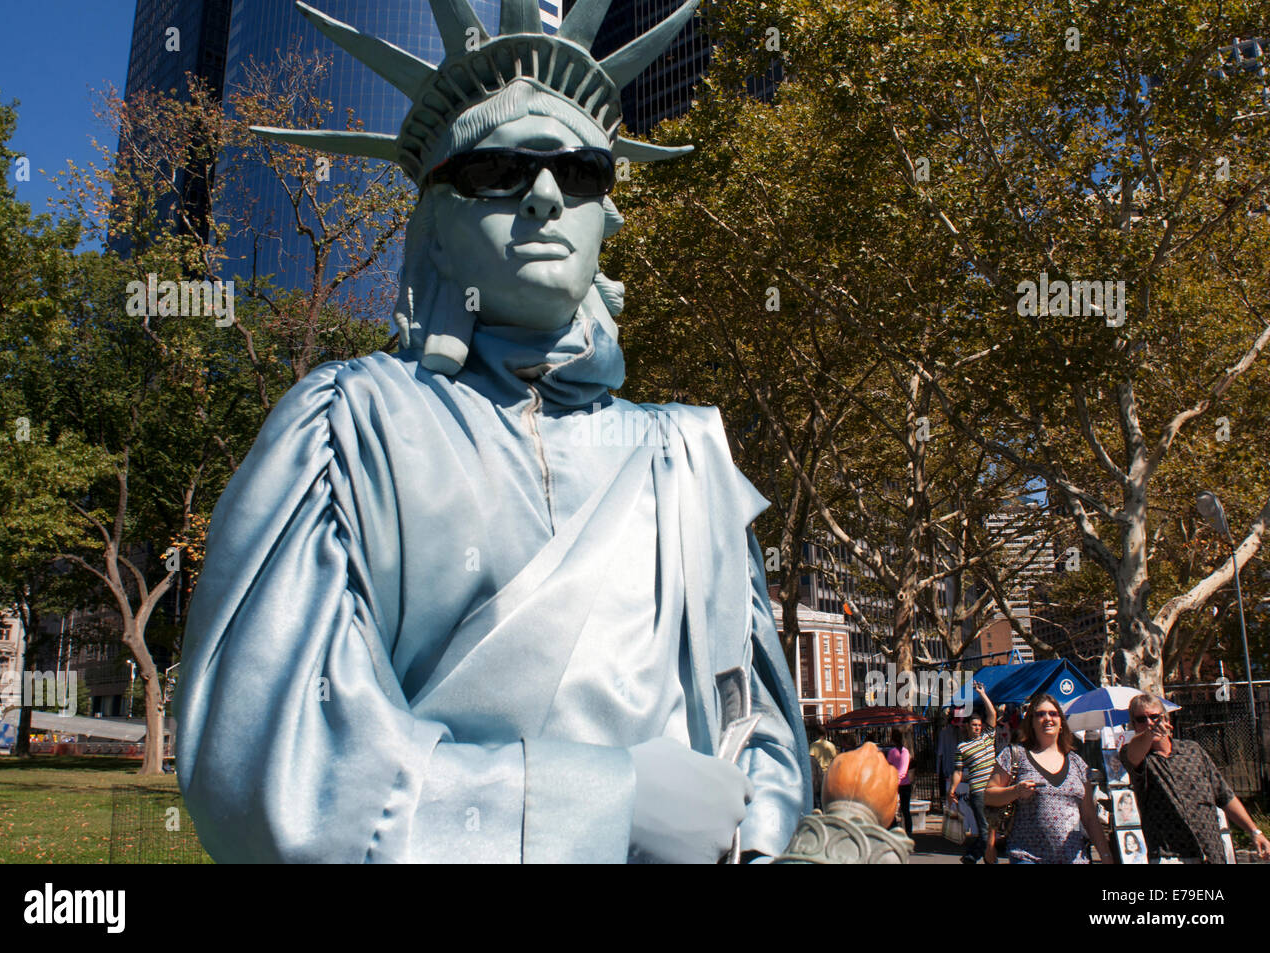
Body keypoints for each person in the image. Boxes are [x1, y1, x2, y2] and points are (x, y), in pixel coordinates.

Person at [174, 0, 810, 865]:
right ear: (432, 228)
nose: (546, 195)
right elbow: (272, 768)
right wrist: (606, 803)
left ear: (605, 219)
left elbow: (764, 741)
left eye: (582, 172)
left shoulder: (689, 456)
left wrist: (763, 831)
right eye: (499, 170)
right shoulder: (345, 429)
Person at [1119, 693, 1270, 863]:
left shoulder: (1193, 751)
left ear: (1166, 719)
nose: (1149, 723)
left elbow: (1224, 795)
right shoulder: (1135, 755)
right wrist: (1150, 732)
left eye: (1154, 717)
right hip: (1170, 856)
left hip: (1210, 852)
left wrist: (1254, 832)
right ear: (1133, 725)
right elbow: (1133, 753)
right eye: (1142, 719)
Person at [984, 692, 1112, 864]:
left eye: (1053, 713)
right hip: (1027, 856)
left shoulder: (1078, 764)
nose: (1047, 718)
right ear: (1032, 722)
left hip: (1073, 858)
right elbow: (989, 795)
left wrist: (1106, 856)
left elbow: (1089, 817)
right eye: (1040, 714)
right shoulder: (1015, 755)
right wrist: (1015, 791)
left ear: (1061, 723)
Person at [948, 682, 997, 863]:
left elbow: (993, 714)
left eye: (979, 725)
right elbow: (957, 771)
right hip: (977, 793)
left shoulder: (988, 737)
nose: (977, 727)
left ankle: (973, 857)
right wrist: (951, 790)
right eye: (973, 725)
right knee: (985, 832)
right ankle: (971, 858)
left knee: (992, 833)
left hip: (995, 790)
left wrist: (982, 694)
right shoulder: (962, 747)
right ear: (967, 726)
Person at [886, 729, 914, 837]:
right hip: (905, 783)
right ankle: (908, 831)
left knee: (893, 808)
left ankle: (895, 828)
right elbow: (904, 769)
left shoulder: (894, 752)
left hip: (895, 783)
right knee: (905, 809)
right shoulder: (905, 751)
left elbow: (889, 766)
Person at [935, 713, 959, 809]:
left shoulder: (944, 732)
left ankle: (946, 805)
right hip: (953, 766)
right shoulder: (948, 732)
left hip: (948, 766)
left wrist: (938, 768)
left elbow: (940, 753)